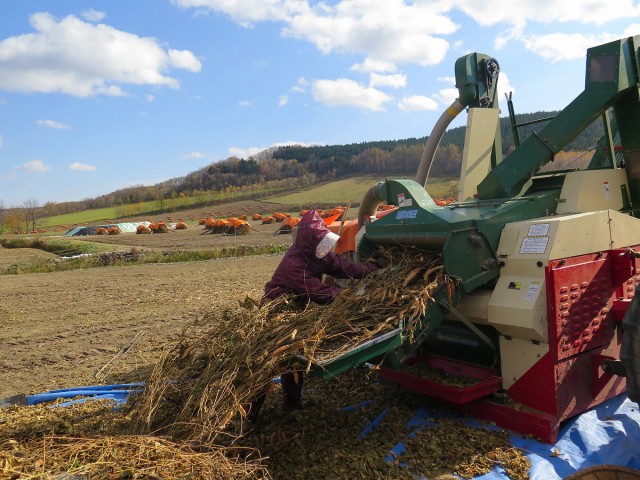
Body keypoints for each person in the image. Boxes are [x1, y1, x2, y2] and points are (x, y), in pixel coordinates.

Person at [245, 209, 379, 422]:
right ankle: (249, 415)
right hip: (276, 313)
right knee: (268, 363)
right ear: (310, 243)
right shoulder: (294, 264)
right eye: (322, 243)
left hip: (295, 314)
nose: (325, 248)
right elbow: (320, 293)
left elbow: (343, 266)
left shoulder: (319, 253)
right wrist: (352, 296)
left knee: (293, 363)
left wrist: (372, 269)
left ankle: (292, 407)